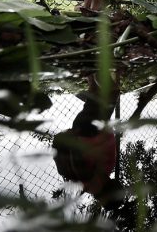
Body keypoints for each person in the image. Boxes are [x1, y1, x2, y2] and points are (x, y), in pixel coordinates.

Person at [52, 74, 122, 208]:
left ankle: (96, 66)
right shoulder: (79, 181)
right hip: (78, 128)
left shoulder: (99, 173)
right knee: (94, 94)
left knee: (113, 92)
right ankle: (89, 70)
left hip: (90, 129)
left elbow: (106, 143)